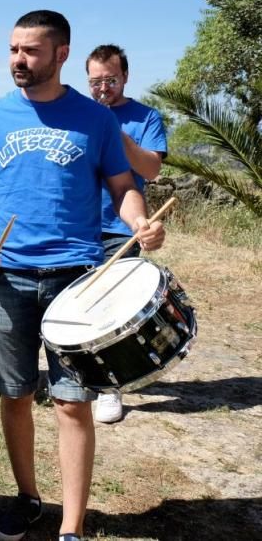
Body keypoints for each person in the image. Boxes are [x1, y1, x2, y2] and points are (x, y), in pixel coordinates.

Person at [0, 10, 165, 541]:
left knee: (73, 400)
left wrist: (138, 219)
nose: (18, 61)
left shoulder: (96, 120)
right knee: (16, 392)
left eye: (31, 51)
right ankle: (27, 499)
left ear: (61, 54)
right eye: (13, 50)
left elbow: (124, 185)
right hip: (9, 278)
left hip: (78, 278)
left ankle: (71, 527)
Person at [86, 44, 168, 425]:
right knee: (81, 304)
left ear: (125, 77)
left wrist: (116, 134)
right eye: (96, 81)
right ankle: (82, 377)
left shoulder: (145, 116)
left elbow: (151, 170)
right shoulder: (77, 113)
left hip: (123, 227)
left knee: (112, 309)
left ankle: (109, 388)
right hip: (79, 227)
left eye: (111, 80)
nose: (103, 87)